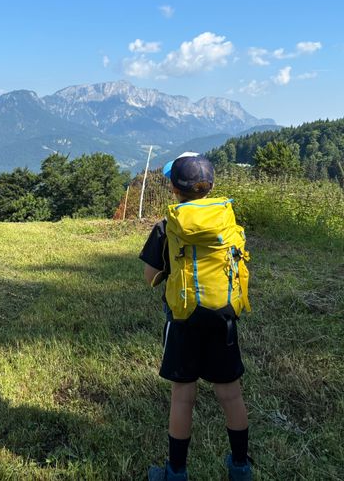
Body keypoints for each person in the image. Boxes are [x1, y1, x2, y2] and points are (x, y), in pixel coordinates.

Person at [140, 152, 253, 481]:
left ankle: (175, 472)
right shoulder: (227, 220)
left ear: (174, 188)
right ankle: (241, 468)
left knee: (182, 396)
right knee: (231, 394)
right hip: (223, 317)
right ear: (211, 186)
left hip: (183, 319)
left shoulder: (166, 226)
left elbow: (150, 277)